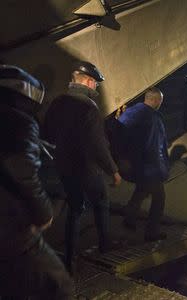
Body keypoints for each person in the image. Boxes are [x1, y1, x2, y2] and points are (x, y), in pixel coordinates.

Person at [0, 65, 74, 298]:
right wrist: (43, 212)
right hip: (11, 227)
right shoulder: (18, 121)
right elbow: (21, 170)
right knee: (59, 286)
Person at [44, 61, 121, 274]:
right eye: (95, 84)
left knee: (75, 210)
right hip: (87, 169)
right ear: (88, 82)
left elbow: (46, 134)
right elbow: (98, 145)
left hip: (63, 168)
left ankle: (69, 259)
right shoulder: (89, 107)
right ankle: (105, 244)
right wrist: (113, 170)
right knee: (102, 202)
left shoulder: (58, 102)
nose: (96, 88)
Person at [118, 88, 169, 242]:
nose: (161, 103)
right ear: (154, 100)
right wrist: (162, 169)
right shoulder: (152, 119)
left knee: (141, 190)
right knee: (159, 198)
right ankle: (151, 232)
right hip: (149, 166)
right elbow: (155, 146)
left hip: (133, 163)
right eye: (160, 100)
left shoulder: (129, 112)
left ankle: (129, 219)